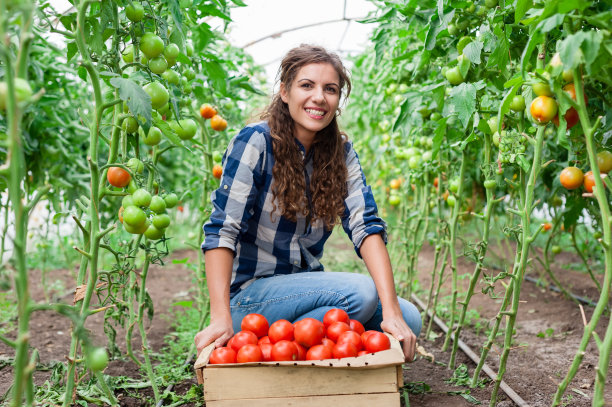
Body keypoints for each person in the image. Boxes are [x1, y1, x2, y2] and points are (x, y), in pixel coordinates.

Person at [194, 44, 421, 361]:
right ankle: (263, 336)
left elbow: (365, 225)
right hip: (249, 297)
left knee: (408, 317)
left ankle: (287, 343)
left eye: (330, 89)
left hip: (300, 289)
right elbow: (221, 230)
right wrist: (219, 316)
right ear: (285, 92)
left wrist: (392, 312)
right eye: (307, 85)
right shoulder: (256, 142)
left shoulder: (339, 152)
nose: (319, 97)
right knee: (362, 295)